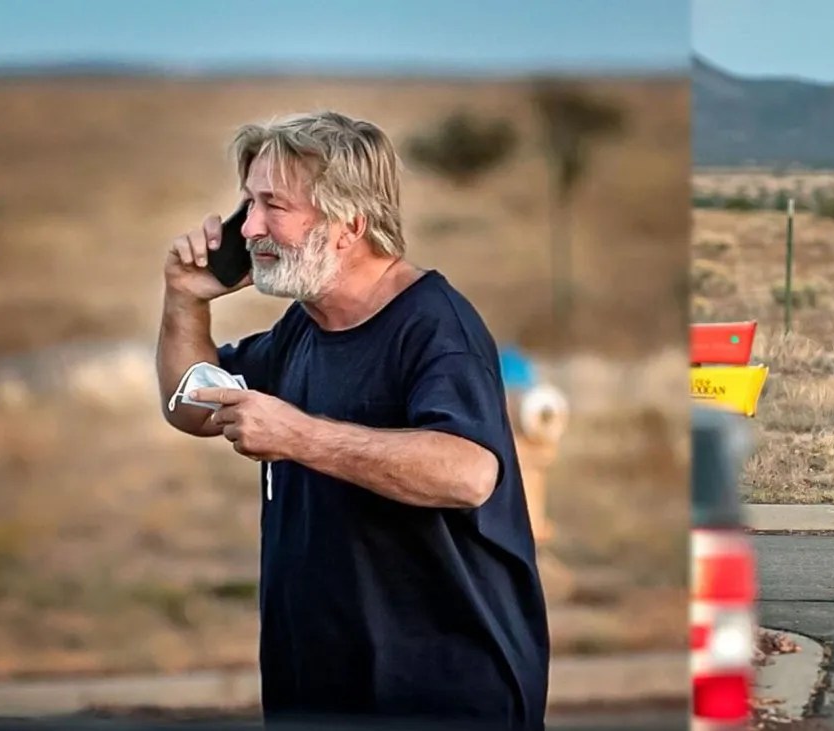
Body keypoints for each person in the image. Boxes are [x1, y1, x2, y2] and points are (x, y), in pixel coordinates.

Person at [155, 110, 549, 729]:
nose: (249, 226)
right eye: (247, 204)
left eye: (272, 206)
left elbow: (469, 473)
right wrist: (184, 299)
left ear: (349, 224)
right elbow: (192, 404)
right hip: (315, 685)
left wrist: (298, 436)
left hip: (439, 693)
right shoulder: (304, 327)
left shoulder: (435, 327)